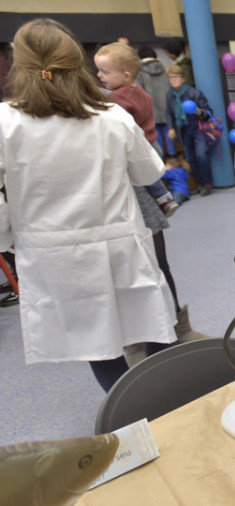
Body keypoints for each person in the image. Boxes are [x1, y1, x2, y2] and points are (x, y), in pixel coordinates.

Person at [0, 18, 176, 391]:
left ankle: (129, 411)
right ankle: (164, 404)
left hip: (53, 253)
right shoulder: (110, 116)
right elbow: (149, 173)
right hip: (119, 243)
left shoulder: (5, 122)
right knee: (150, 321)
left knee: (96, 340)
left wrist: (7, 238)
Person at [94, 42, 178, 217]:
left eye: (105, 72)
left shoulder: (119, 99)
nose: (99, 75)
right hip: (152, 141)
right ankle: (165, 198)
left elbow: (113, 109)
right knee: (152, 176)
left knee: (148, 178)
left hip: (143, 146)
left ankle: (164, 200)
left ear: (125, 75)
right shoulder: (138, 91)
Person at [165, 64, 214, 196]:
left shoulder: (194, 93)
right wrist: (171, 128)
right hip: (183, 131)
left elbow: (209, 112)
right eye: (171, 77)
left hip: (198, 129)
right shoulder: (170, 95)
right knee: (191, 159)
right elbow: (169, 114)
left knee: (201, 156)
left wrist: (198, 111)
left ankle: (207, 183)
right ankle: (199, 184)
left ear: (183, 79)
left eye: (176, 77)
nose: (173, 80)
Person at [136, 45, 176, 156]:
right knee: (168, 129)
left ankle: (161, 156)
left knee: (156, 131)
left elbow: (139, 89)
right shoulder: (163, 67)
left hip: (150, 106)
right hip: (166, 104)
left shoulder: (139, 71)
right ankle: (173, 155)